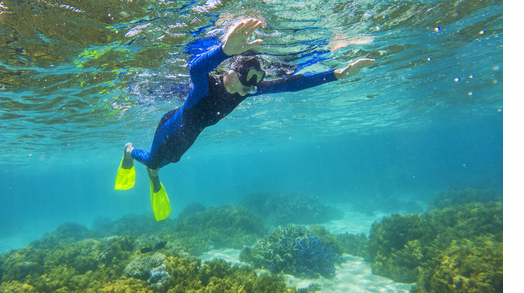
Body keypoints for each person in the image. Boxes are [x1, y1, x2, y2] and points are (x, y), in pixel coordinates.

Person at [114, 18, 374, 221]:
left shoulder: (246, 90)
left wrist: (338, 74)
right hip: (172, 128)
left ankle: (154, 173)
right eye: (243, 82)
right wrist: (224, 50)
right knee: (152, 160)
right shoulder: (206, 87)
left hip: (188, 136)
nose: (247, 91)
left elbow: (292, 84)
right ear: (230, 71)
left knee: (172, 160)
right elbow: (195, 67)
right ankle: (129, 152)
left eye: (253, 86)